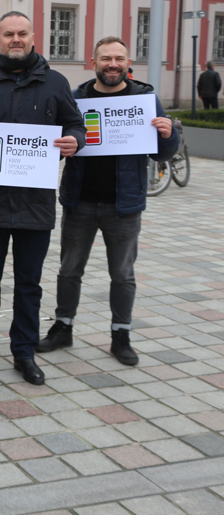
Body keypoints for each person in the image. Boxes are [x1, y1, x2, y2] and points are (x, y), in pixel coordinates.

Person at [0, 11, 85, 386]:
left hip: (36, 204)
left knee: (29, 283)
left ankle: (24, 352)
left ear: (32, 36)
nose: (16, 39)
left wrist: (76, 140)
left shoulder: (56, 84)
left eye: (22, 33)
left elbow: (76, 125)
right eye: (8, 34)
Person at [37, 36, 177, 365]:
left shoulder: (145, 98)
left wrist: (169, 135)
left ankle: (121, 334)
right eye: (105, 58)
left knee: (123, 274)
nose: (112, 64)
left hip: (123, 205)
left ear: (128, 64)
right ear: (93, 62)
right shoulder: (76, 98)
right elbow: (56, 146)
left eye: (118, 58)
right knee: (69, 269)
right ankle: (63, 326)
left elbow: (161, 152)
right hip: (79, 200)